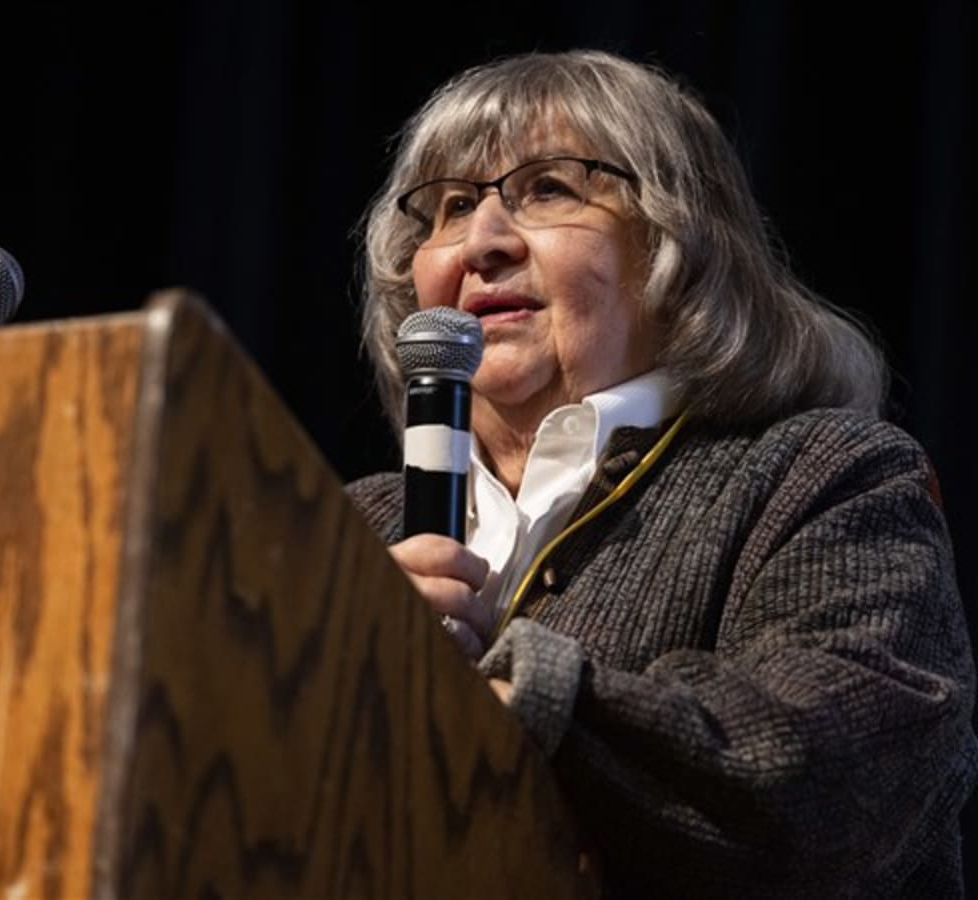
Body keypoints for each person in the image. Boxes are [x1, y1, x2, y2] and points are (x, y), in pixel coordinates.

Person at [347, 50, 977, 897]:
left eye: (548, 189)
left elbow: (828, 782)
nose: (483, 242)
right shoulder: (350, 530)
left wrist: (524, 699)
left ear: (675, 241)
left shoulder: (823, 476)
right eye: (452, 206)